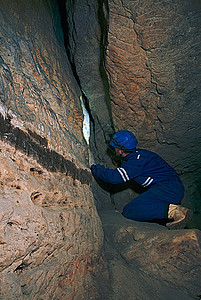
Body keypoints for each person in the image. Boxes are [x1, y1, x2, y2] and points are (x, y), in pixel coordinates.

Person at [91, 130, 192, 229]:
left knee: (130, 210)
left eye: (115, 147)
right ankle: (172, 211)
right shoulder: (137, 156)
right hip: (168, 187)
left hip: (168, 188)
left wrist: (95, 168)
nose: (114, 150)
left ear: (120, 150)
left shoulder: (136, 161)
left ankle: (175, 212)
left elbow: (114, 177)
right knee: (141, 207)